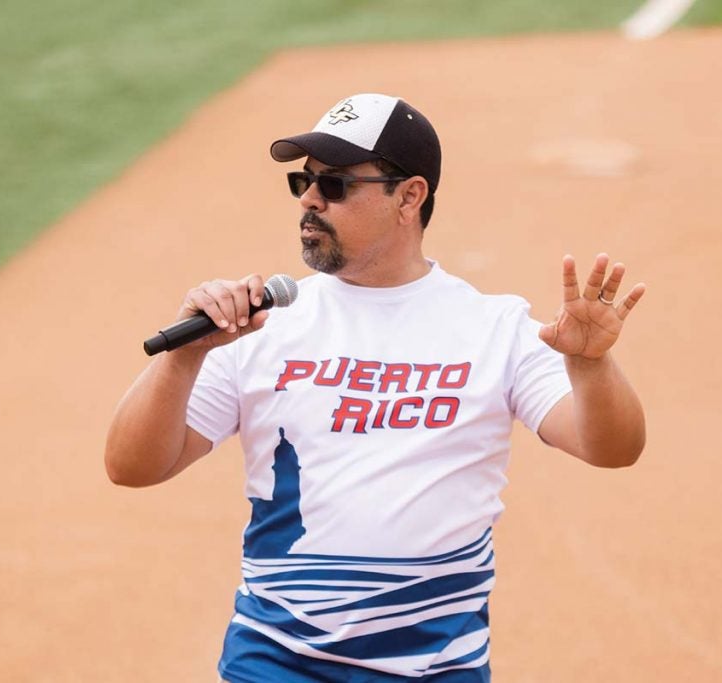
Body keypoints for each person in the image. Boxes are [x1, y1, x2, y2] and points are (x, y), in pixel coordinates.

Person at [105, 93, 646, 682]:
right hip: (276, 660)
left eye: (334, 185)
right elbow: (132, 466)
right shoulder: (262, 326)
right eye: (304, 183)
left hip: (435, 668)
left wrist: (591, 366)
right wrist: (181, 360)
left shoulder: (496, 329)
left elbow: (612, 450)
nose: (310, 199)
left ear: (409, 197)